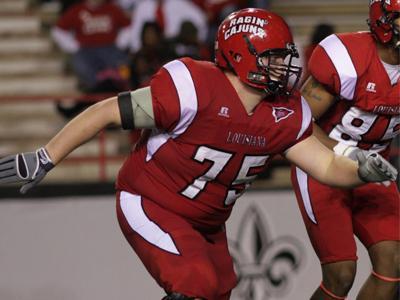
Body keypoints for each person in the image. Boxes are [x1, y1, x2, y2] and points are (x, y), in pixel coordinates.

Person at [0, 8, 397, 300]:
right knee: (196, 287)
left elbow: (325, 164)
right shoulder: (192, 87)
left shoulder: (283, 111)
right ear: (242, 56)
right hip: (153, 203)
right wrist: (45, 156)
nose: (286, 65)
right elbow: (107, 110)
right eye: (274, 56)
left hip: (207, 222)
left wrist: (362, 169)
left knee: (220, 291)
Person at [291, 1, 400, 299]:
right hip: (322, 167)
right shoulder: (349, 59)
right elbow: (297, 124)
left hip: (374, 170)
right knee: (341, 274)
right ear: (384, 22)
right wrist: (346, 152)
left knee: (393, 265)